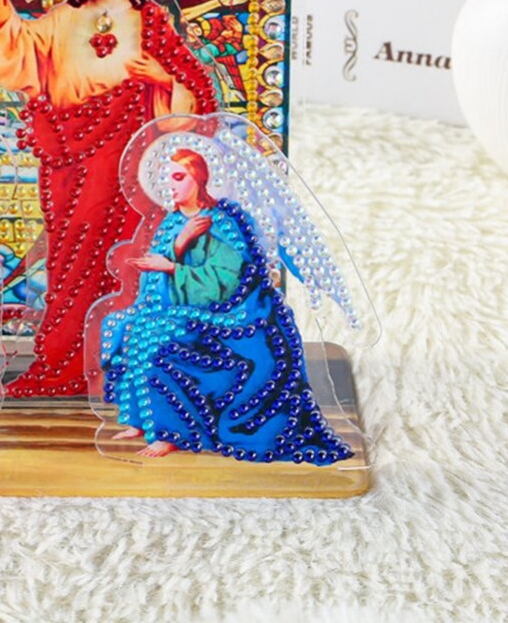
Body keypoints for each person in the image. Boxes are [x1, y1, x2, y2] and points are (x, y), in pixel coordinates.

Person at [0, 0, 218, 397]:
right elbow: (16, 52)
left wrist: (162, 80)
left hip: (129, 159)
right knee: (70, 259)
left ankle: (124, 364)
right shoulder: (63, 18)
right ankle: (65, 360)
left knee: (124, 258)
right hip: (69, 158)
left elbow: (199, 96)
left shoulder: (151, 22)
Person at [100, 148, 353, 464]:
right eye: (166, 178)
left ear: (198, 178)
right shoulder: (172, 222)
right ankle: (142, 420)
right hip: (178, 306)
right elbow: (155, 284)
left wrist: (173, 267)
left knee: (155, 338)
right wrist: (179, 245)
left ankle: (172, 433)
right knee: (120, 325)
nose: (170, 185)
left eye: (178, 177)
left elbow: (228, 281)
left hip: (229, 313)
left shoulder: (221, 221)